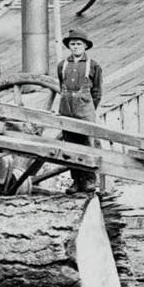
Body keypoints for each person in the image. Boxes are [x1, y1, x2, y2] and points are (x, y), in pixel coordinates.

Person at [56, 28, 103, 194]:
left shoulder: (93, 66)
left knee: (87, 143)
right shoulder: (63, 65)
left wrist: (89, 108)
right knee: (71, 145)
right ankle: (76, 181)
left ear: (85, 46)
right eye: (73, 44)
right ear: (69, 46)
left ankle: (90, 180)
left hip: (85, 109)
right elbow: (61, 85)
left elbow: (97, 92)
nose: (75, 47)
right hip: (66, 109)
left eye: (79, 44)